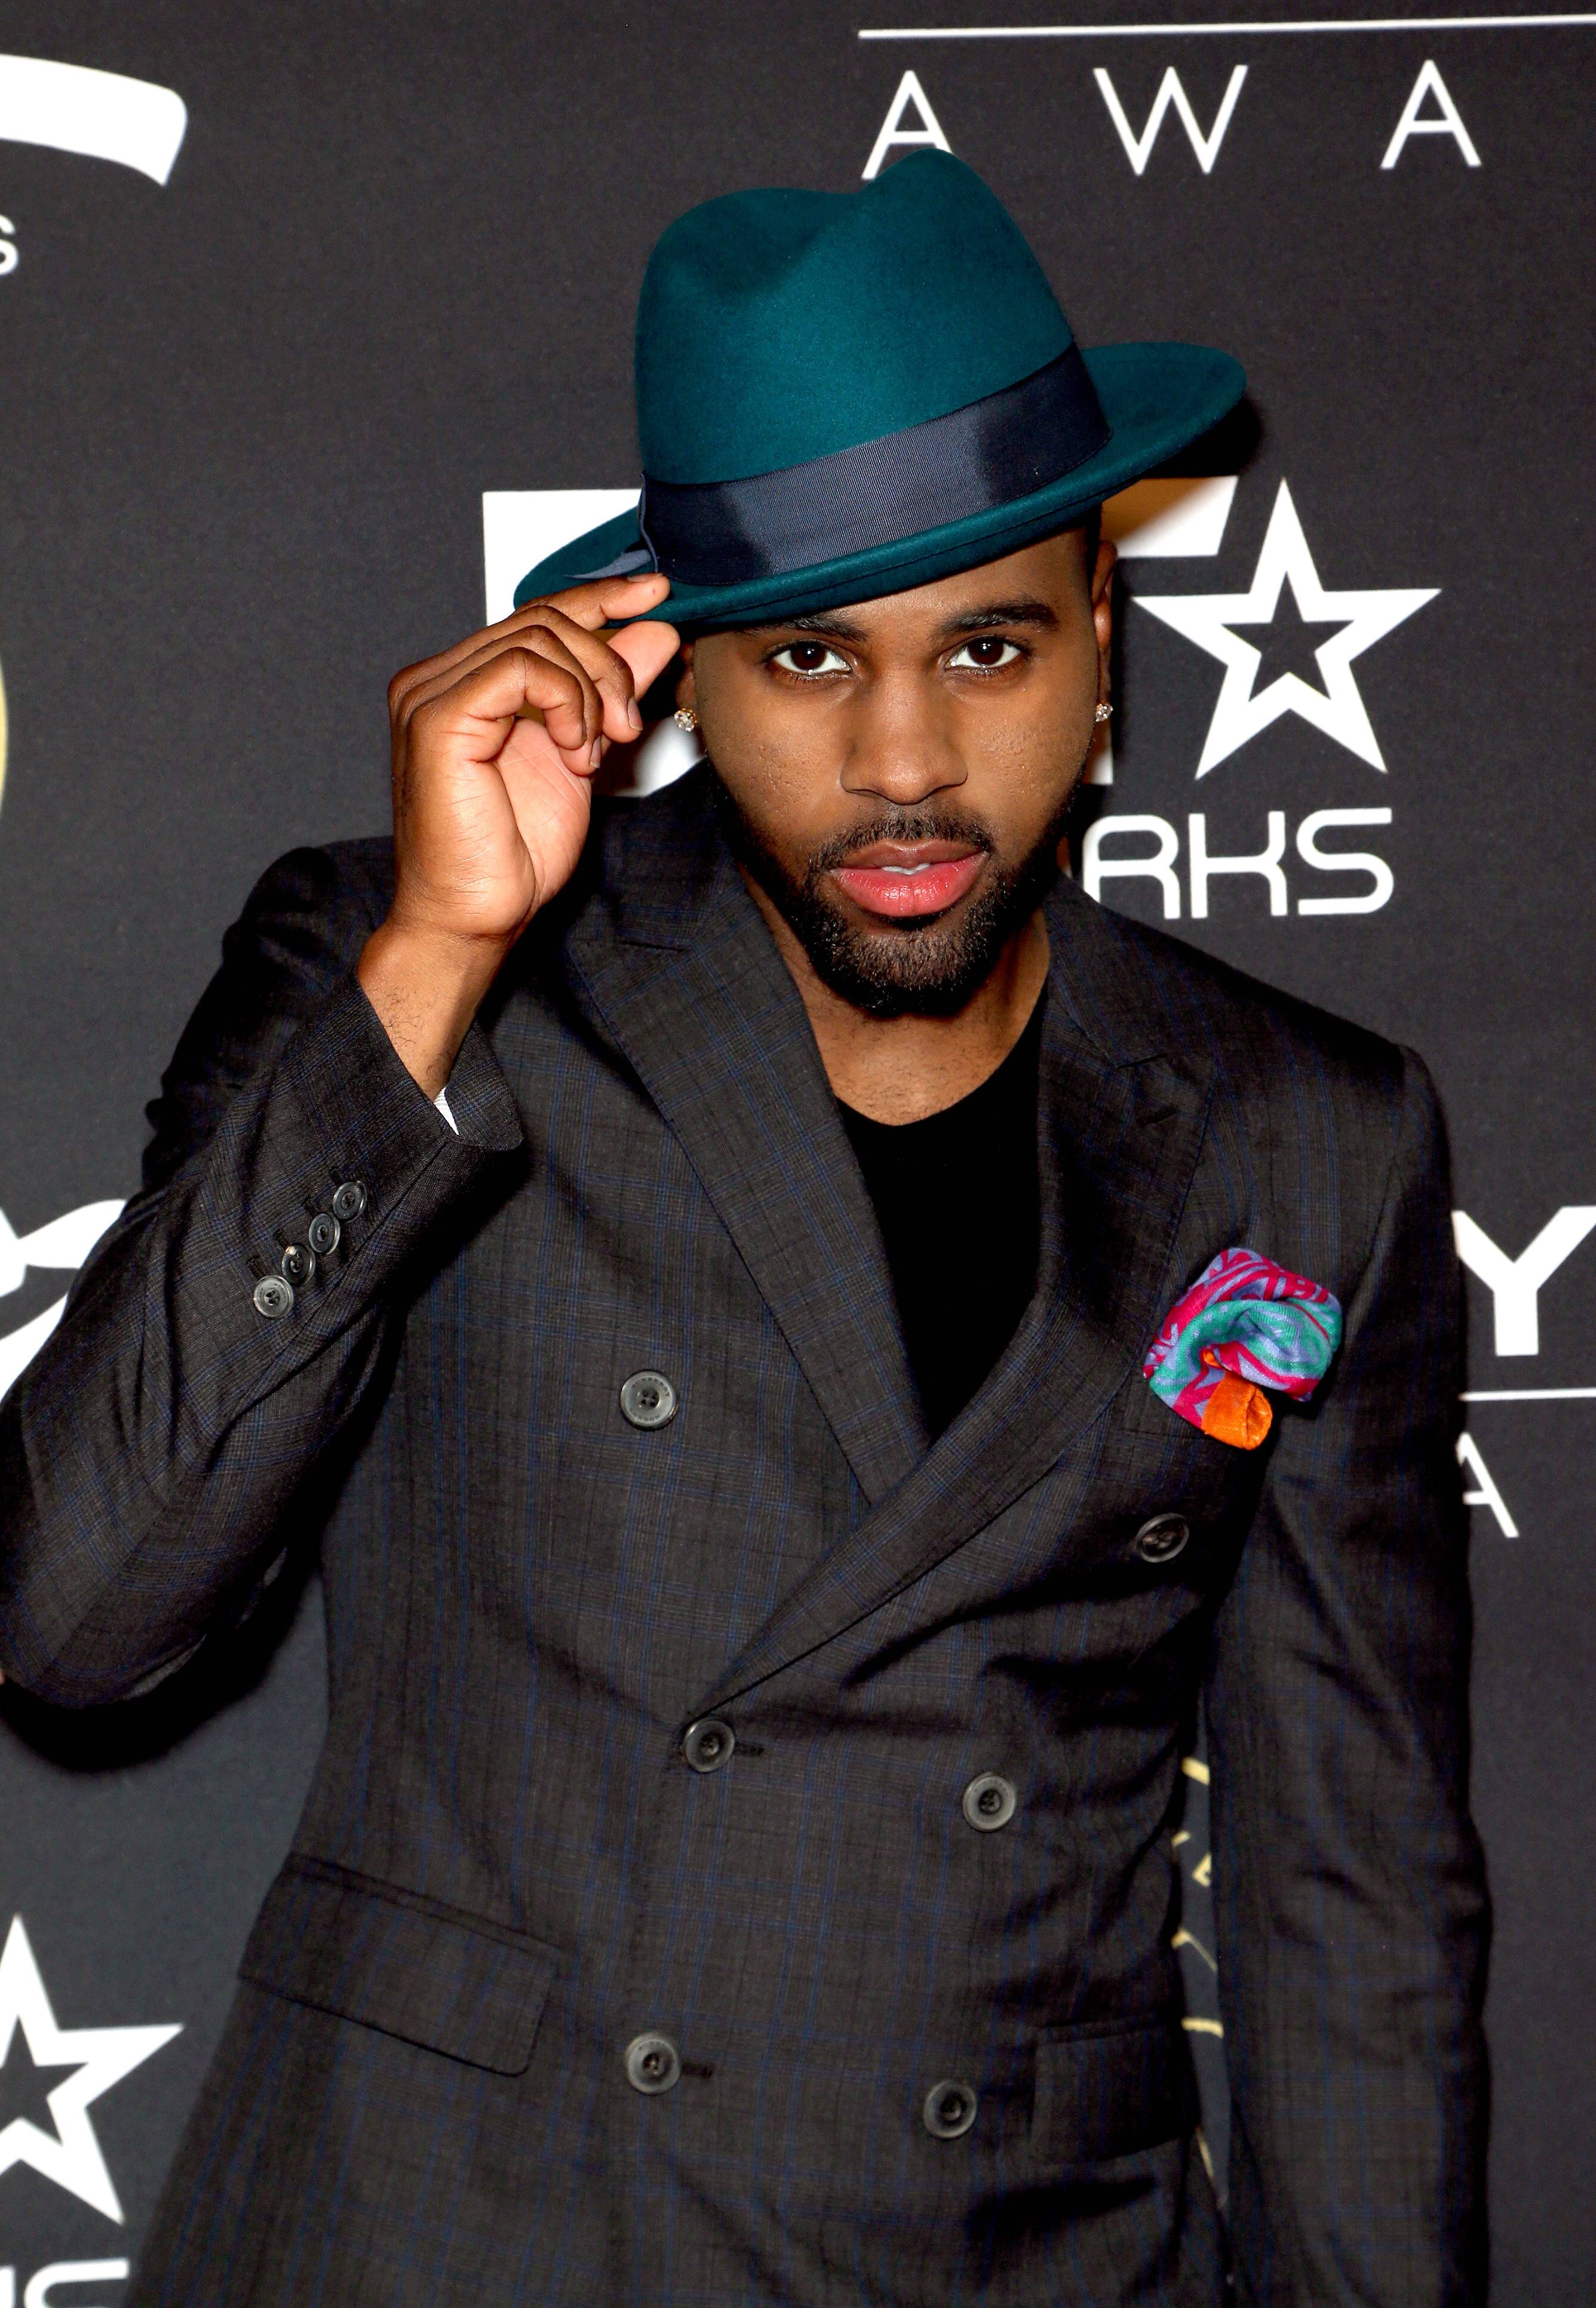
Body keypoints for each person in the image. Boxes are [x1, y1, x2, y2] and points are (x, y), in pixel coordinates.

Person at [0, 151, 1485, 2307]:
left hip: (1014, 2258)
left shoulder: (1308, 1135)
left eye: (987, 645)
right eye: (809, 660)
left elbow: (1354, 1903)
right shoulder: (413, 970)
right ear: (682, 675)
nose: (904, 762)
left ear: (1103, 648)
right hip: (464, 2243)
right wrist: (434, 954)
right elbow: (73, 1612)